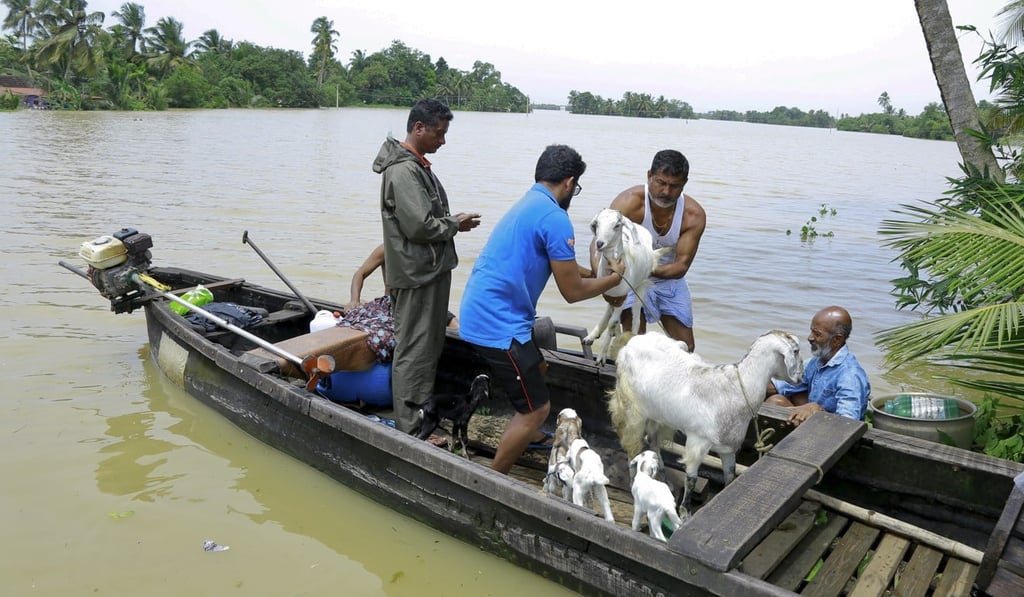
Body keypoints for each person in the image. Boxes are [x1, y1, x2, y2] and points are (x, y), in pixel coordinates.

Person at [459, 144, 625, 474]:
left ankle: (529, 433)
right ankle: (494, 479)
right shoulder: (555, 218)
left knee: (539, 367)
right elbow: (572, 293)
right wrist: (613, 280)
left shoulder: (531, 202)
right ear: (569, 182)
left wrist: (592, 272)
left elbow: (561, 264)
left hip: (484, 310)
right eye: (575, 188)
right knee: (537, 408)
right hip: (497, 324)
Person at [372, 99, 480, 434]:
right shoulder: (403, 171)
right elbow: (419, 225)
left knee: (426, 347)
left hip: (426, 272)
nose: (443, 140)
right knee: (414, 350)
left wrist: (449, 223)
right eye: (439, 132)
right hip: (417, 275)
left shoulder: (414, 166)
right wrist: (454, 224)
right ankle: (411, 426)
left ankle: (421, 417)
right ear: (419, 128)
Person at [592, 149, 705, 352]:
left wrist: (642, 268)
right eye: (661, 182)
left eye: (674, 186)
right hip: (629, 274)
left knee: (686, 348)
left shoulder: (693, 215)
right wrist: (604, 283)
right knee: (636, 342)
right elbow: (598, 244)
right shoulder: (629, 203)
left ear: (684, 184)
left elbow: (680, 267)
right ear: (649, 176)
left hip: (666, 277)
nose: (666, 192)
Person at [765, 306, 871, 427]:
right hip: (816, 422)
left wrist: (817, 410)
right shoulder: (816, 362)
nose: (810, 338)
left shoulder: (850, 376)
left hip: (832, 434)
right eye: (811, 331)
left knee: (775, 403)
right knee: (779, 398)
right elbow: (783, 384)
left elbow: (848, 424)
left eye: (817, 334)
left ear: (836, 340)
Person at [345, 243, 459, 329]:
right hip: (393, 305)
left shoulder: (426, 249)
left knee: (456, 325)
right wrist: (354, 300)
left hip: (422, 305)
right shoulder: (387, 248)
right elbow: (360, 273)